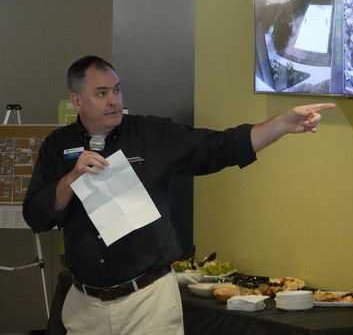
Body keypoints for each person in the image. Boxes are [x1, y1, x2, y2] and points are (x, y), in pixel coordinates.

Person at [23, 55, 335, 334]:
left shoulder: (150, 134)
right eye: (101, 93)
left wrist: (280, 124)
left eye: (117, 90)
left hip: (147, 302)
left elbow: (219, 147)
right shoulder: (57, 145)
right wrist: (72, 177)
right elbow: (36, 216)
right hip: (85, 306)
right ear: (77, 101)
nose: (114, 101)